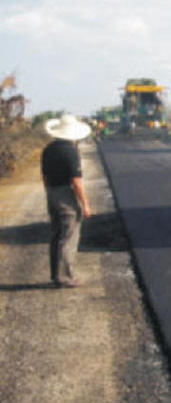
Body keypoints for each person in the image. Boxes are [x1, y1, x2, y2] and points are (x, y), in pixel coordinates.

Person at [41, 114, 92, 288]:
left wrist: (49, 193)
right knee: (69, 236)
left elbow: (45, 176)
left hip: (52, 193)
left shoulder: (48, 150)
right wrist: (85, 205)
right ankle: (64, 278)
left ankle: (55, 274)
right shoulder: (71, 152)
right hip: (66, 194)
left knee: (56, 235)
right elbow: (76, 181)